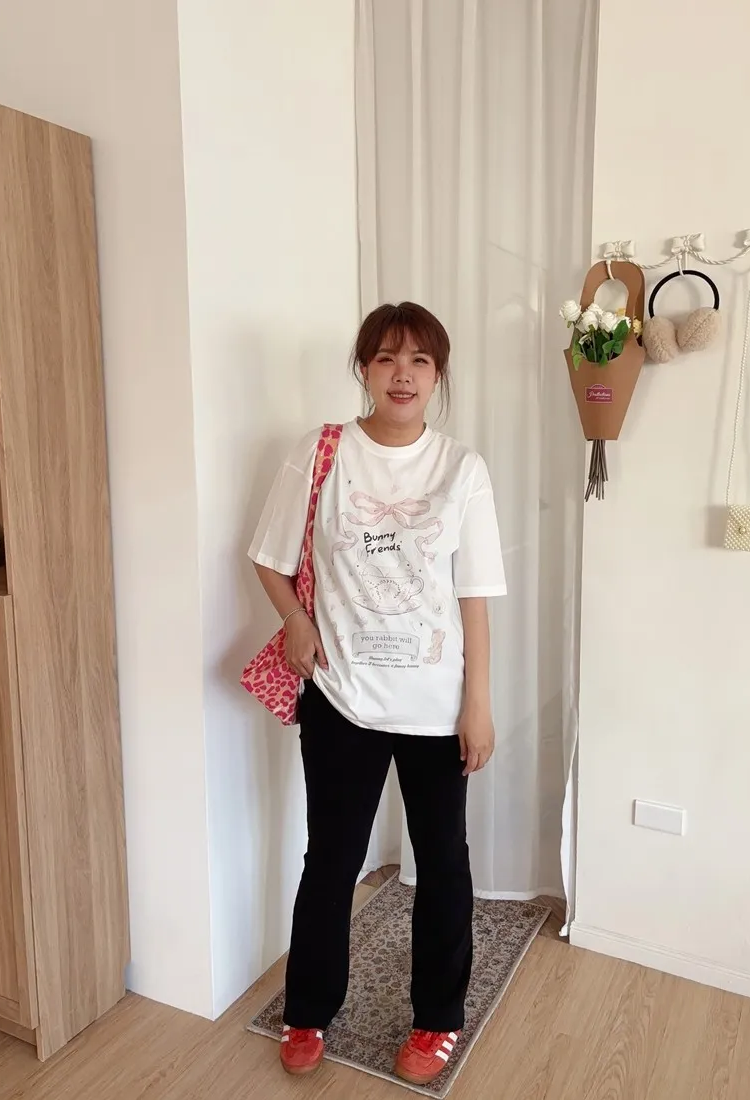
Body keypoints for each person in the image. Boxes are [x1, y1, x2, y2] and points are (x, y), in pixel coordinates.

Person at [248, 301, 507, 1086]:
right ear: (363, 368)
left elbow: (474, 596)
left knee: (443, 862)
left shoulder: (461, 468)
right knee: (331, 859)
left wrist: (477, 702)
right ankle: (306, 1011)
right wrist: (296, 621)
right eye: (387, 357)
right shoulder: (322, 452)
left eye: (420, 360)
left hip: (435, 704)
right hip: (341, 695)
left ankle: (436, 1021)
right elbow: (267, 557)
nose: (403, 373)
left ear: (437, 375)